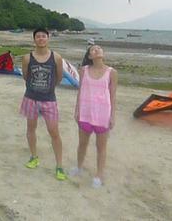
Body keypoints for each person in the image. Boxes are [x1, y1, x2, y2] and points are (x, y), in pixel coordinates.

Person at [20, 28, 66, 180]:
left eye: (43, 36)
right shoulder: (27, 58)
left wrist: (49, 88)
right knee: (30, 129)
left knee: (54, 132)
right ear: (34, 40)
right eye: (38, 36)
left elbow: (59, 77)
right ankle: (34, 157)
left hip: (49, 100)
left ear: (48, 39)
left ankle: (59, 166)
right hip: (31, 98)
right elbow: (26, 76)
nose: (41, 39)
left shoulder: (56, 57)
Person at [71, 45, 118, 188]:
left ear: (103, 53)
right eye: (93, 49)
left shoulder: (112, 72)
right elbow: (80, 91)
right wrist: (77, 109)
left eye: (99, 48)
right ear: (90, 56)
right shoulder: (83, 70)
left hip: (103, 113)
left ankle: (99, 175)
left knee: (101, 147)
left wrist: (112, 116)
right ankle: (78, 167)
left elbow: (113, 95)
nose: (96, 50)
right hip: (85, 112)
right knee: (82, 143)